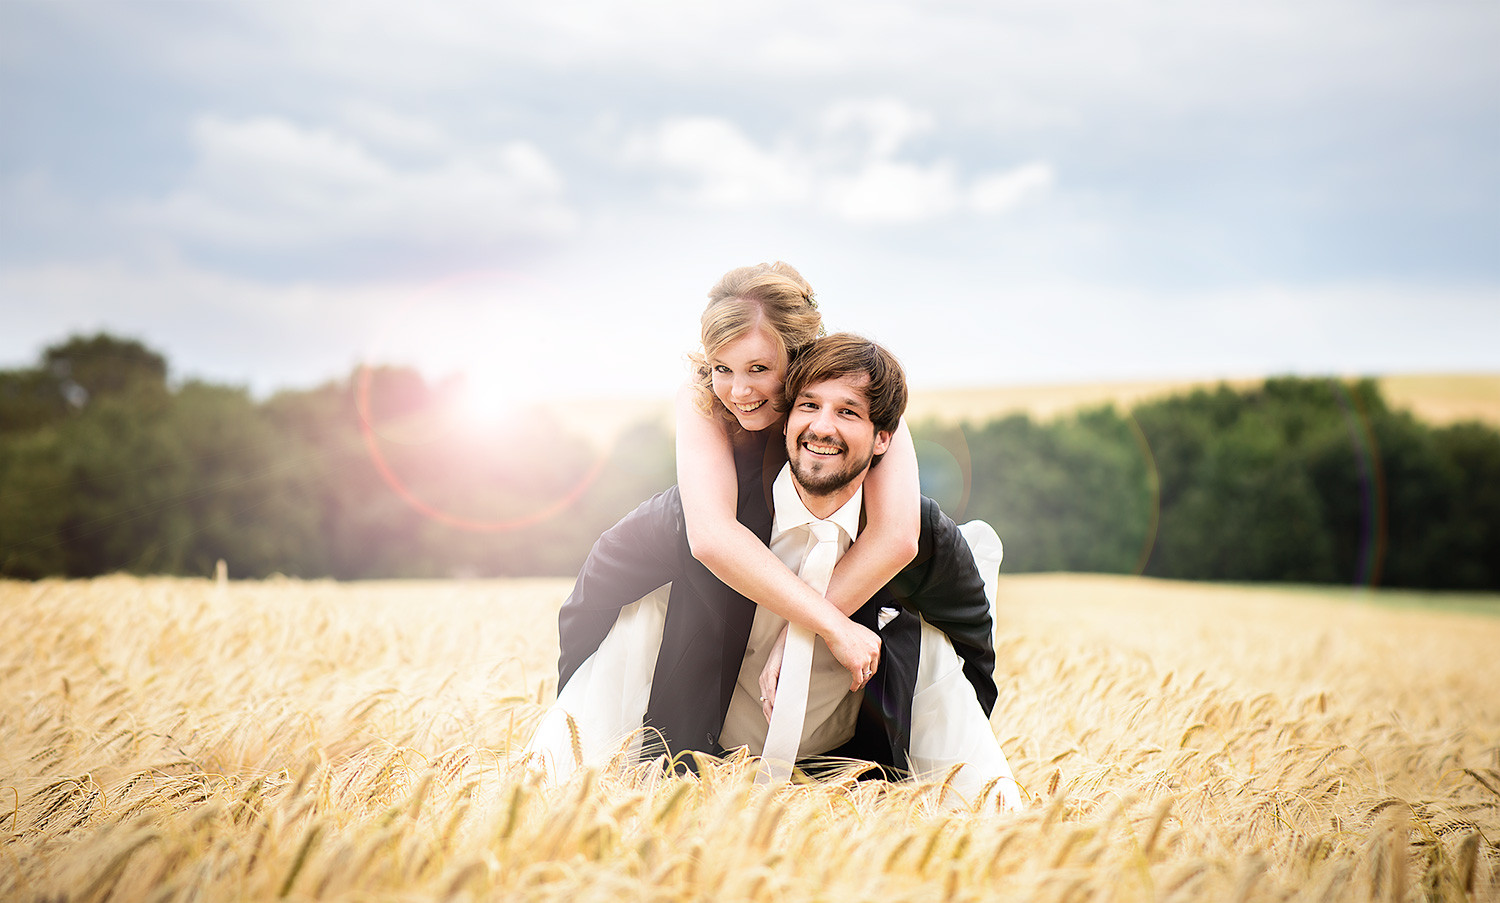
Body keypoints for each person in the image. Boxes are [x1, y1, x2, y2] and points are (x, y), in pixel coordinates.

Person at [529, 327, 1022, 808]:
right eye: (809, 406)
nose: (823, 427)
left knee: (931, 646)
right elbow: (597, 592)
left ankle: (983, 814)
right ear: (785, 419)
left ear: (882, 440)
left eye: (847, 412)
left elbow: (972, 643)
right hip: (700, 766)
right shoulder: (705, 514)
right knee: (641, 613)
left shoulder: (917, 531)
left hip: (846, 776)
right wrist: (570, 713)